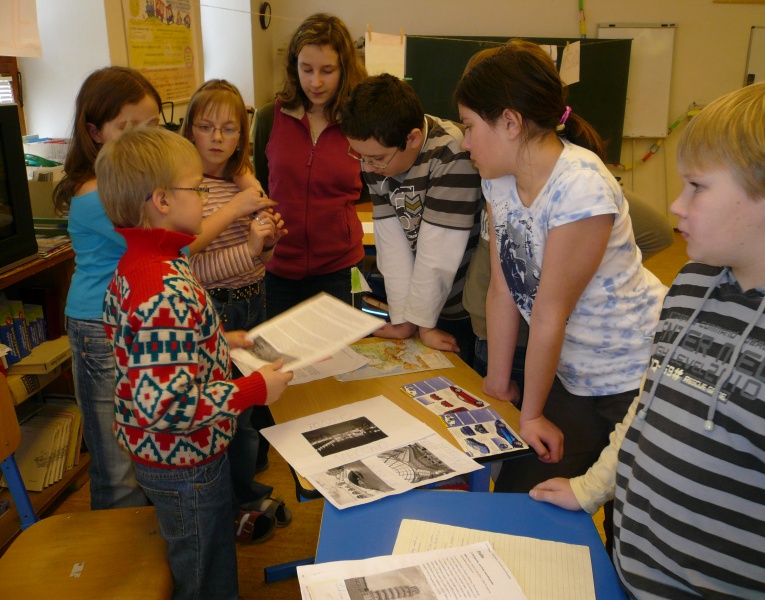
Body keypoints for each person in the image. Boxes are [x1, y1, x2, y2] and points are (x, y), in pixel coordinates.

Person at [532, 80, 765, 598]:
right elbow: (649, 406)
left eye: (697, 187)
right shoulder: (692, 284)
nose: (676, 205)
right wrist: (590, 489)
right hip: (634, 576)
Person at [454, 40, 667, 541]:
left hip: (633, 375)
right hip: (575, 374)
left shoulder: (581, 186)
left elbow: (549, 313)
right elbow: (503, 288)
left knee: (629, 523)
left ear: (510, 123)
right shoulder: (498, 179)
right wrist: (498, 383)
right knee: (521, 498)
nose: (464, 143)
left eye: (468, 126)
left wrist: (531, 413)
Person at [97, 126, 293, 599]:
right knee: (207, 568)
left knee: (206, 550)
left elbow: (149, 353)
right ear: (162, 200)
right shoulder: (163, 291)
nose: (205, 198)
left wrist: (219, 339)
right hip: (185, 463)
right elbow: (168, 406)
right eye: (197, 189)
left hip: (176, 456)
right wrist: (255, 389)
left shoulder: (147, 263)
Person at [180, 79, 289, 537]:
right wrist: (248, 249)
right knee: (227, 415)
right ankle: (232, 502)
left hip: (251, 303)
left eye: (229, 129)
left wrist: (267, 244)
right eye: (206, 127)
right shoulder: (187, 189)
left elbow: (260, 262)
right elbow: (191, 268)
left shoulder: (240, 182)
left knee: (247, 414)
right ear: (189, 129)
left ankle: (242, 493)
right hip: (217, 312)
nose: (217, 138)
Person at [53, 66, 161, 510]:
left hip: (130, 318)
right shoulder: (98, 192)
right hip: (100, 326)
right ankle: (117, 545)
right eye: (126, 128)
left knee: (142, 443)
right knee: (117, 466)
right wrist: (234, 208)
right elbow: (169, 245)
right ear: (95, 132)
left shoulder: (132, 178)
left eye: (151, 125)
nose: (142, 139)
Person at [464, 189, 674, 397]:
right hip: (492, 330)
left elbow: (658, 233)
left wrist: (590, 277)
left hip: (527, 342)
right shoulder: (497, 183)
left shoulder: (577, 188)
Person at [340, 73, 482, 363]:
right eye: (361, 156)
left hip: (461, 306)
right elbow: (391, 245)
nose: (368, 167)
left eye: (377, 158)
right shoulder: (377, 155)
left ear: (413, 138)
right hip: (425, 305)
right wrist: (403, 319)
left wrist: (424, 324)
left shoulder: (451, 153)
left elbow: (439, 252)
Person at [254, 13, 367, 317]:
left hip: (341, 269)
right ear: (294, 67)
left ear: (345, 69)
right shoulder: (269, 118)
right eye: (306, 69)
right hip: (279, 270)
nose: (315, 82)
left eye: (327, 71)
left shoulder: (359, 122)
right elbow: (262, 189)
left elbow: (368, 191)